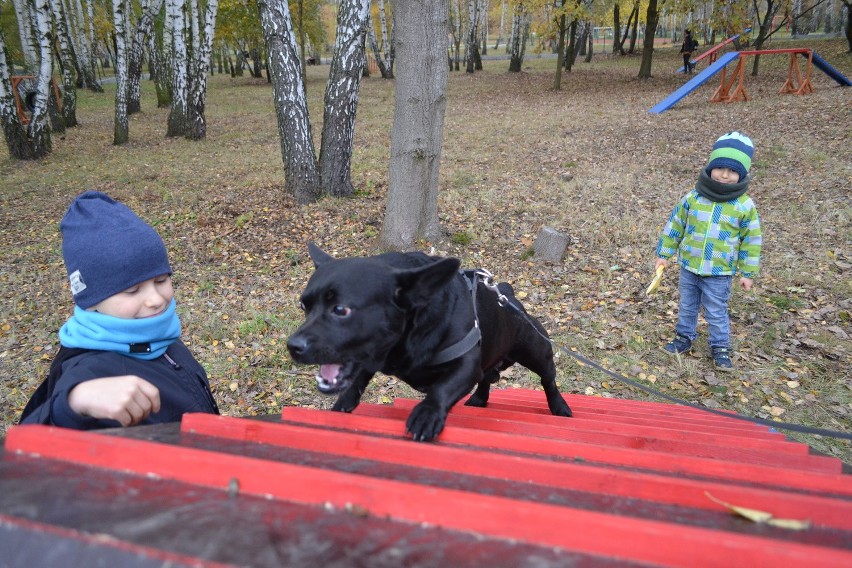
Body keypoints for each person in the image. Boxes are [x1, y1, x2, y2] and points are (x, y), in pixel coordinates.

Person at [19, 191, 219, 428]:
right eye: (132, 290)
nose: (155, 299)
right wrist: (73, 404)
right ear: (91, 300)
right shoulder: (88, 372)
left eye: (161, 280)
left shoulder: (158, 339)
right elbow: (33, 445)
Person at [655, 132, 762, 372]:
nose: (725, 175)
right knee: (687, 306)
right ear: (710, 167)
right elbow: (675, 226)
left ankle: (720, 346)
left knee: (716, 310)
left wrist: (748, 272)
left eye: (733, 171)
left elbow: (751, 240)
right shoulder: (693, 198)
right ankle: (684, 337)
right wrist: (664, 253)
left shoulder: (744, 206)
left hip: (719, 271)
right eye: (720, 168)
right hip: (690, 267)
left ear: (742, 174)